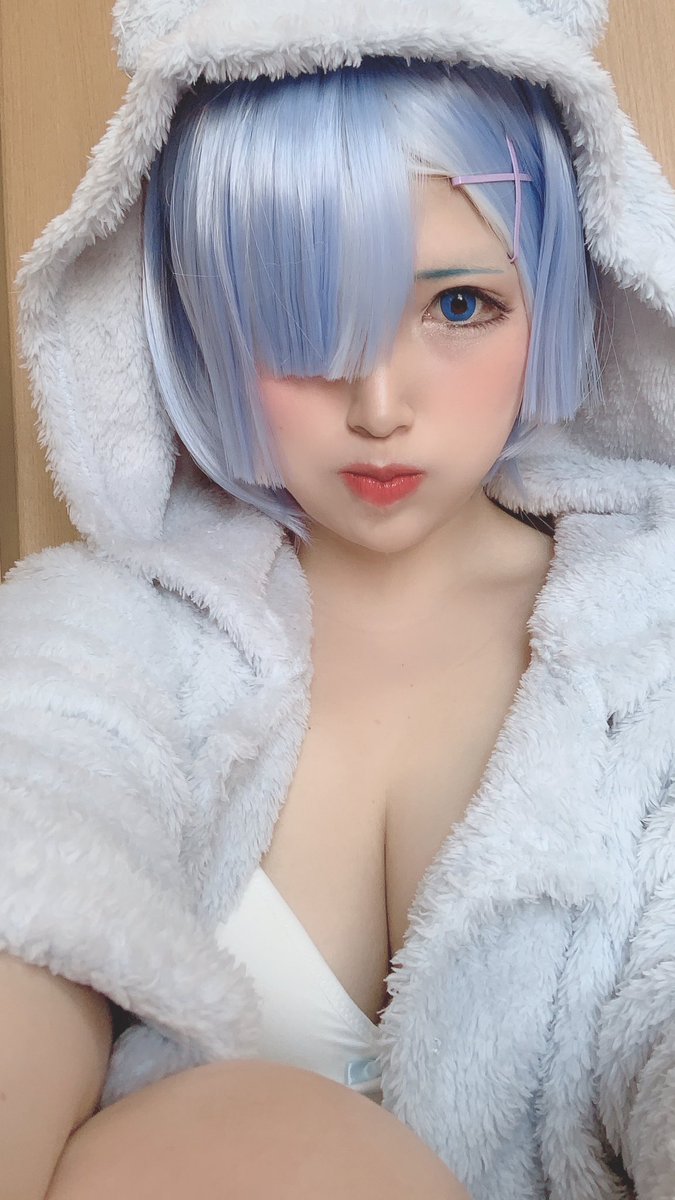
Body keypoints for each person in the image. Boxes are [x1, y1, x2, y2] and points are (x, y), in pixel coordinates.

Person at [2, 0, 675, 1197]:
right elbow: (28, 865)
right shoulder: (104, 637)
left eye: (459, 306)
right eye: (296, 318)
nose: (378, 405)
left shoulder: (653, 638)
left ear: (559, 294)